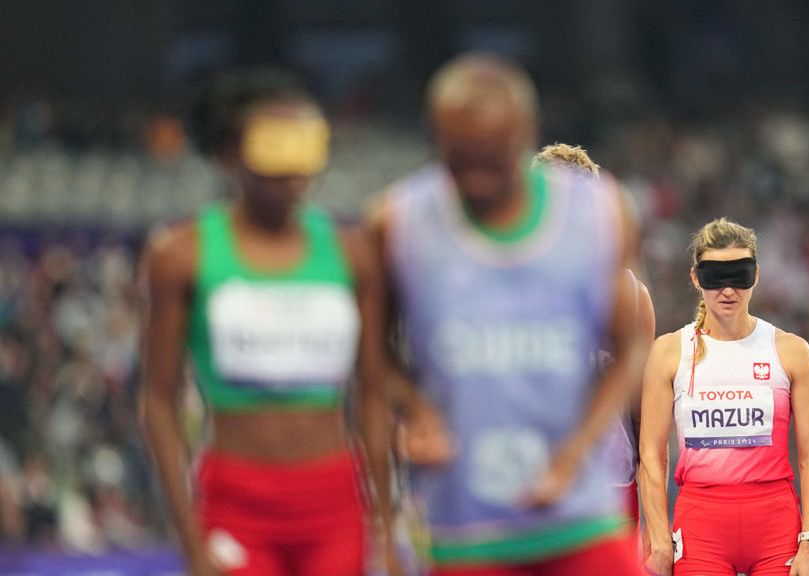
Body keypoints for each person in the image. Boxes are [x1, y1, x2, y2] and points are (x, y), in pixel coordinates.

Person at [368, 53, 647, 576]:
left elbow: (631, 349)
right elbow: (370, 356)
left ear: (524, 133)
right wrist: (414, 409)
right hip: (467, 525)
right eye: (459, 160)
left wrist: (575, 452)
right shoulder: (399, 221)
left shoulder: (602, 214)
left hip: (578, 511)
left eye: (491, 159)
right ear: (435, 136)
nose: (474, 179)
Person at [138, 68, 397, 576]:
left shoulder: (352, 255)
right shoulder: (182, 255)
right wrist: (190, 540)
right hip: (235, 497)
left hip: (334, 499)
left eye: (305, 148)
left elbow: (373, 394)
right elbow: (158, 399)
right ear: (230, 153)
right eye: (275, 148)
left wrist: (384, 526)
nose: (294, 171)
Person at [638, 218, 809, 576]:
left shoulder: (790, 351)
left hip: (775, 524)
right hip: (701, 524)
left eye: (738, 275)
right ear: (696, 278)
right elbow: (650, 454)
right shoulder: (669, 352)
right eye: (714, 277)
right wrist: (660, 537)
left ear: (755, 276)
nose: (727, 291)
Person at [532, 142, 655, 530]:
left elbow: (645, 409)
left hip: (609, 478)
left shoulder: (630, 294)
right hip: (524, 475)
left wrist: (654, 513)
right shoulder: (503, 282)